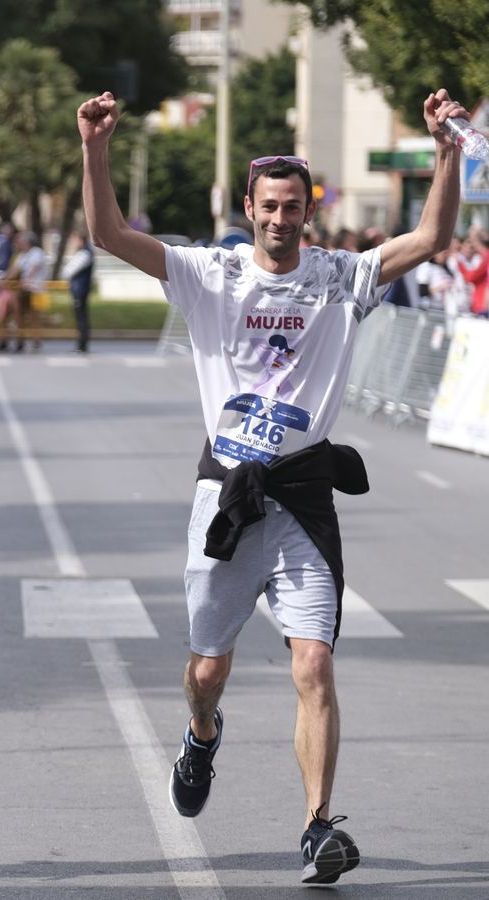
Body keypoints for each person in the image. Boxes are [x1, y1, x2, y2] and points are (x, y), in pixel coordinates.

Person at [79, 87, 465, 885]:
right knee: (207, 671)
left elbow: (432, 235)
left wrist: (447, 150)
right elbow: (108, 233)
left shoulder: (340, 277)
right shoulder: (207, 275)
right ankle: (201, 733)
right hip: (226, 493)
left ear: (309, 211)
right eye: (270, 206)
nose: (282, 219)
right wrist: (96, 146)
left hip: (303, 499)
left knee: (314, 664)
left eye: (294, 206)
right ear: (248, 207)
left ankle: (317, 827)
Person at [61, 229, 95, 353]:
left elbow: (68, 271)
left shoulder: (85, 253)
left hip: (80, 289)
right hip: (79, 289)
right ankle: (81, 343)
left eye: (75, 240)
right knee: (80, 317)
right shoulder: (84, 252)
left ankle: (82, 344)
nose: (74, 243)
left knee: (81, 317)